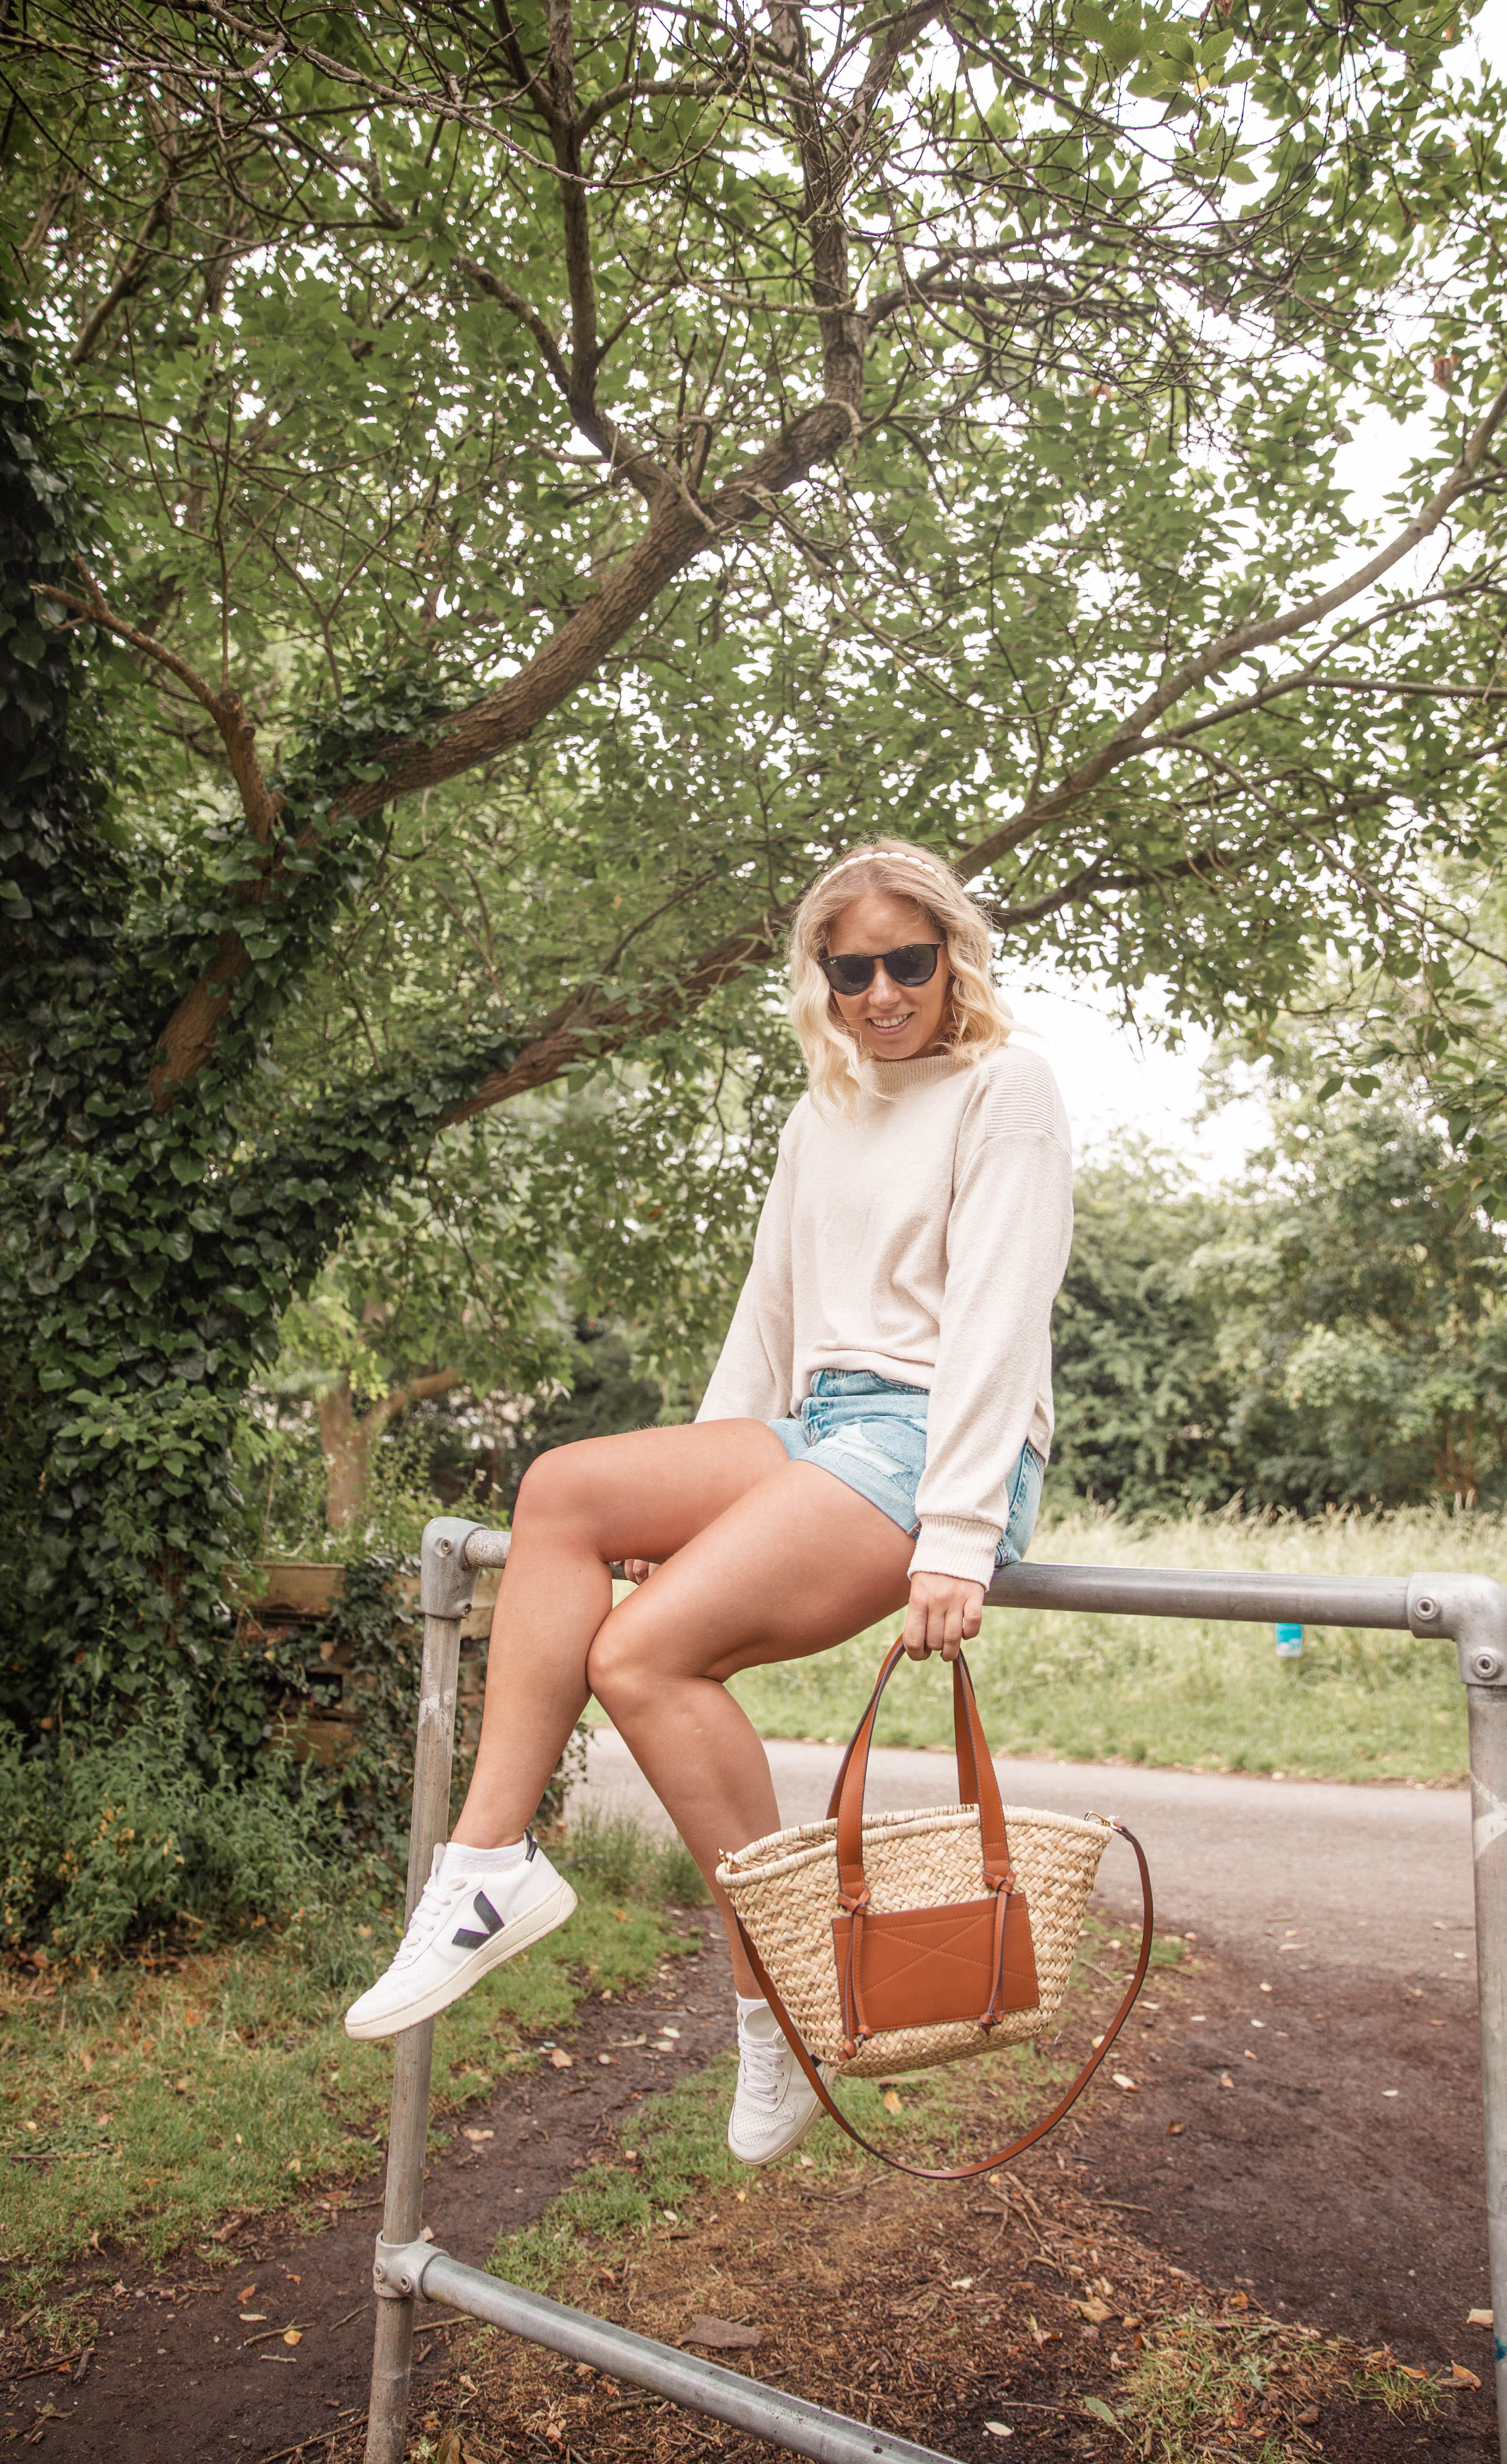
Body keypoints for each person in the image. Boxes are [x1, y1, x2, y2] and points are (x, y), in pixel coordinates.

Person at [344, 840, 1075, 2166]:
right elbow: (770, 1316)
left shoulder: (1005, 1089)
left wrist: (961, 1532)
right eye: (849, 970)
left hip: (934, 1446)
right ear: (822, 978)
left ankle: (778, 1998)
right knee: (563, 1489)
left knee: (636, 1656)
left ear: (951, 956)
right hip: (819, 1425)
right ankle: (488, 1869)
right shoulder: (826, 1112)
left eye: (907, 962)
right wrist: (683, 1504)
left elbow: (998, 1316)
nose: (880, 994)